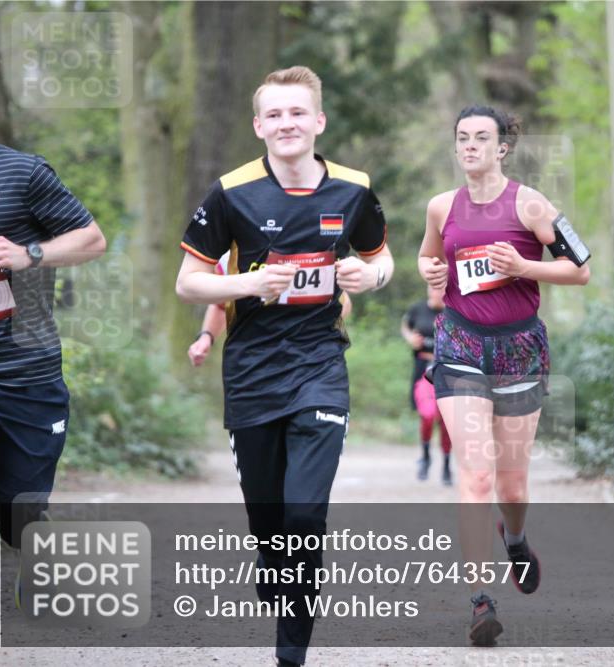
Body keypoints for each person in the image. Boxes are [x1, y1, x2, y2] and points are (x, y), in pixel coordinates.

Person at [175, 66, 393, 667]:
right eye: (274, 114)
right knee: (270, 517)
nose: (286, 123)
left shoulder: (353, 188)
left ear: (318, 121)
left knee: (304, 513)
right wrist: (250, 281)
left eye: (297, 113)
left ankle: (290, 653)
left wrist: (370, 276)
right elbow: (188, 282)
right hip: (250, 372)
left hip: (321, 364)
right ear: (258, 126)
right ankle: (276, 571)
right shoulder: (231, 192)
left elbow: (382, 259)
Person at [418, 105, 591, 645]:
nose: (470, 146)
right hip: (461, 345)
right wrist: (430, 276)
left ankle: (514, 539)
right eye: (462, 138)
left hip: (519, 349)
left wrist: (524, 268)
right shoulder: (441, 207)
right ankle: (479, 600)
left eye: (481, 138)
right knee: (475, 474)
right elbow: (430, 268)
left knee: (512, 483)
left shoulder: (532, 204)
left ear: (503, 149)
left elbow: (580, 269)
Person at [0, 49, 107, 657]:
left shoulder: (24, 174)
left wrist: (29, 254)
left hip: (24, 374)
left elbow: (92, 238)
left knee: (19, 513)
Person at [188, 251, 352, 367]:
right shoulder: (231, 256)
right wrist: (206, 337)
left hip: (310, 361)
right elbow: (222, 305)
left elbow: (343, 304)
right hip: (253, 362)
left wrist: (309, 331)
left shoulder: (308, 246)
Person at [400, 285, 452, 484]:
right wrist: (409, 338)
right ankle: (425, 456)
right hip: (423, 368)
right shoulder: (418, 308)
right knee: (428, 414)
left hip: (447, 370)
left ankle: (447, 466)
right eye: (433, 288)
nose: (436, 292)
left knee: (446, 421)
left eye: (440, 289)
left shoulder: (453, 311)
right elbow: (405, 325)